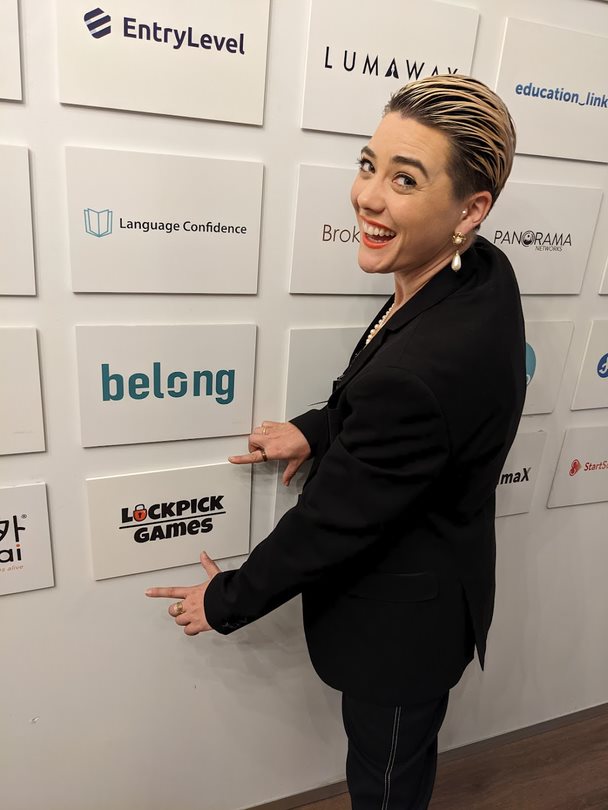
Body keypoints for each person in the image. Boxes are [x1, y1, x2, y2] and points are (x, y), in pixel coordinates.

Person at [146, 75, 525, 809]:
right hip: (437, 586)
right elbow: (391, 386)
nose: (368, 197)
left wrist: (224, 599)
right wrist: (316, 429)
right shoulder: (477, 269)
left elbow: (332, 522)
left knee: (385, 784)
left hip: (402, 627)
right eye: (368, 164)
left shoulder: (428, 365)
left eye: (404, 179)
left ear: (469, 209)